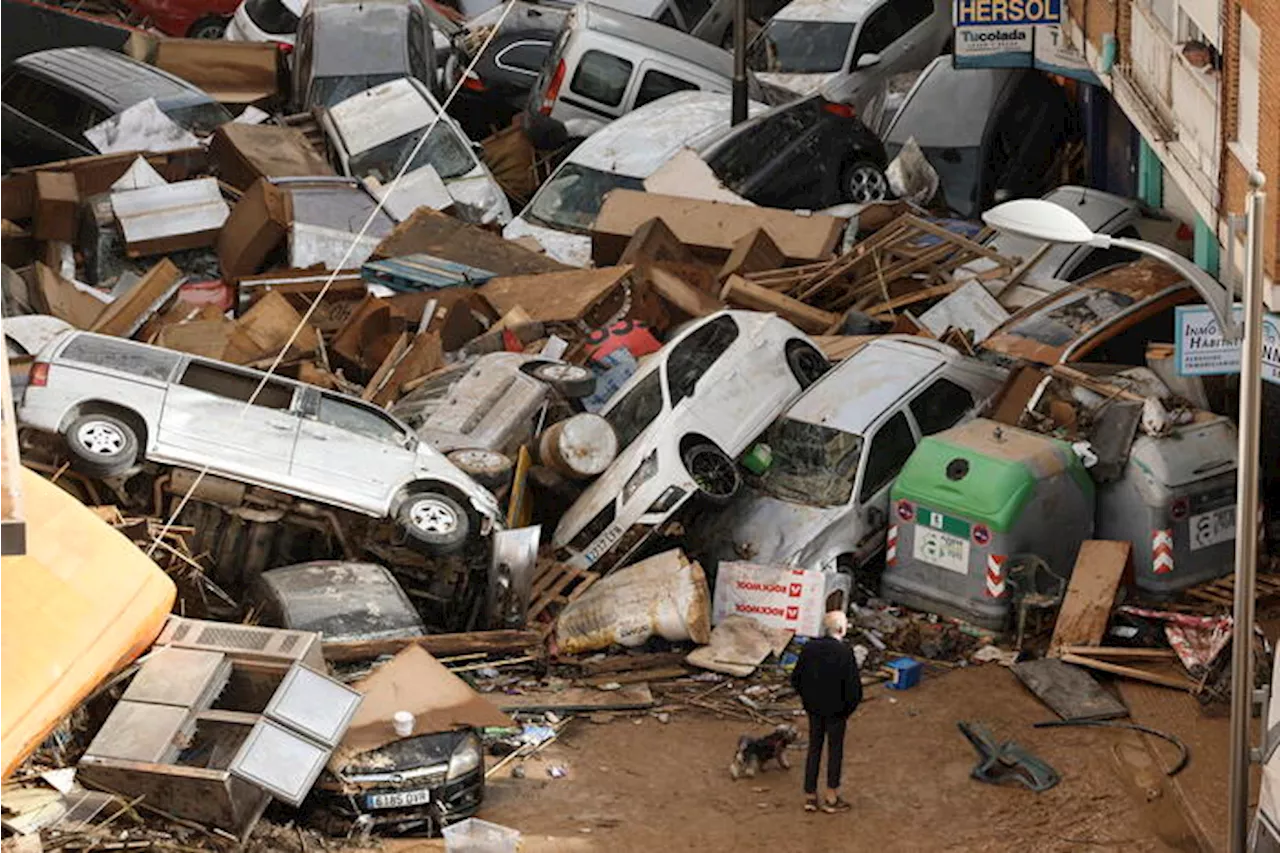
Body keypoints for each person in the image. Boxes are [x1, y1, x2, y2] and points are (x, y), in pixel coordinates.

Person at [789, 610, 861, 813]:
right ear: (841, 629)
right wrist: (847, 709)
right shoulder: (845, 653)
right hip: (837, 711)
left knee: (814, 748)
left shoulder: (809, 648)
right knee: (835, 751)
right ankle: (831, 796)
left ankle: (810, 796)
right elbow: (854, 688)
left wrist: (807, 700)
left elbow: (796, 679)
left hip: (814, 708)